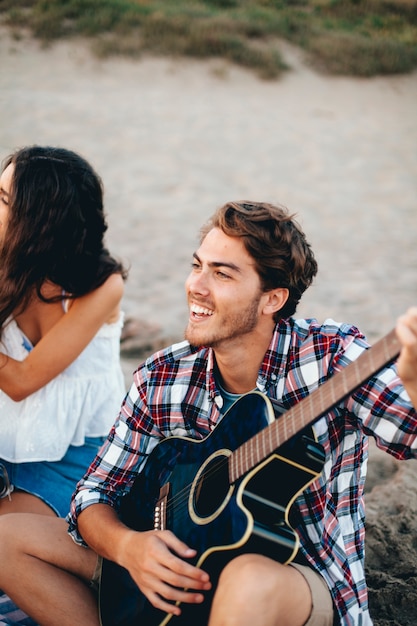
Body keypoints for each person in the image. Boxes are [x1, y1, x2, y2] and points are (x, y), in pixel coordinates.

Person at [0, 200, 416, 626]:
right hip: (178, 563)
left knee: (246, 580)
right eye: (197, 266)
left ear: (272, 298)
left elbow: (410, 432)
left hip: (293, 578)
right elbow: (93, 493)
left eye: (221, 273)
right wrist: (131, 548)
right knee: (8, 538)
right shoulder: (162, 375)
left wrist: (414, 380)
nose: (196, 286)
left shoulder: (331, 359)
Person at [0, 145, 128, 518]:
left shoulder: (101, 286)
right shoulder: (8, 263)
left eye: (4, 200)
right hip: (8, 442)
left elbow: (21, 381)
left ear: (39, 221)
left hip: (79, 453)